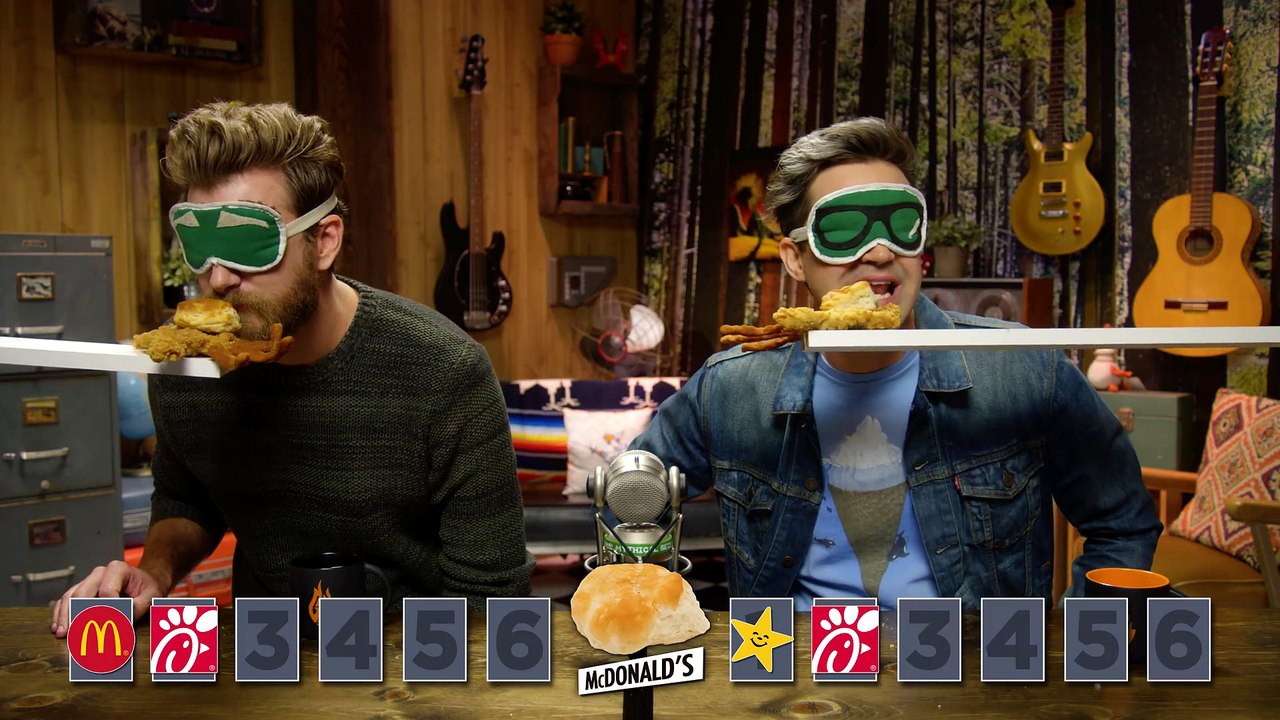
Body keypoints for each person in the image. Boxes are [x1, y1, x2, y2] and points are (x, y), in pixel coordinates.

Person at [632, 117, 1161, 611]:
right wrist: (660, 619)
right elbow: (629, 506)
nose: (881, 253)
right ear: (795, 258)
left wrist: (1078, 642)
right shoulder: (730, 389)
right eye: (845, 229)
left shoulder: (1022, 368)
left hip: (971, 667)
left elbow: (1122, 522)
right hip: (792, 667)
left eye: (901, 225)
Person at [52, 101, 533, 637]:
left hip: (416, 655)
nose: (219, 279)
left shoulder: (444, 372)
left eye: (247, 244)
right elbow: (187, 498)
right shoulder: (187, 366)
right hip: (265, 652)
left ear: (323, 242)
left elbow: (491, 595)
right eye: (201, 246)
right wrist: (154, 573)